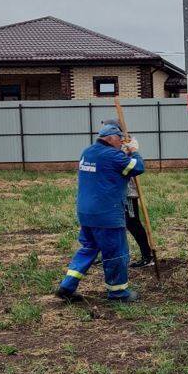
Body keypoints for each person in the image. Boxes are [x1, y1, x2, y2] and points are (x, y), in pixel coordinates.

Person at [56, 123, 144, 304]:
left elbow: (111, 168)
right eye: (119, 139)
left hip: (86, 212)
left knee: (88, 249)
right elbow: (137, 167)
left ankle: (67, 286)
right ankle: (119, 293)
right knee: (116, 253)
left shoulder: (88, 152)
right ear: (110, 138)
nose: (121, 142)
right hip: (107, 214)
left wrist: (123, 153)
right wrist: (134, 151)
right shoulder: (112, 155)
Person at [100, 118, 154, 268]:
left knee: (133, 223)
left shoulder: (124, 145)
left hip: (127, 193)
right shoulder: (108, 148)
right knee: (110, 224)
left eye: (105, 128)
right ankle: (109, 254)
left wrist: (131, 149)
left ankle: (147, 255)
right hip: (113, 193)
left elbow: (134, 165)